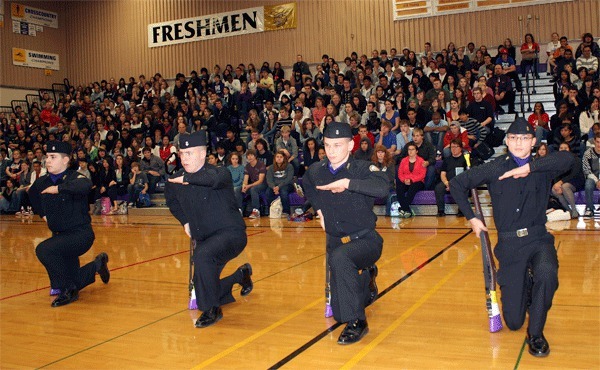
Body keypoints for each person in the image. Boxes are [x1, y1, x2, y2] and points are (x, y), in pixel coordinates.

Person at [450, 118, 575, 358]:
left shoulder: (544, 165)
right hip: (509, 246)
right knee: (514, 321)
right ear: (507, 141)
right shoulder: (495, 168)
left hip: (539, 239)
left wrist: (529, 168)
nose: (519, 143)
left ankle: (536, 334)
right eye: (514, 138)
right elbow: (457, 184)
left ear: (534, 142)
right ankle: (526, 287)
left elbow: (570, 160)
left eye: (525, 138)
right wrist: (472, 217)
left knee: (547, 274)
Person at [303, 122, 388, 345]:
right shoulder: (318, 170)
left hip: (365, 240)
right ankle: (366, 279)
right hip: (336, 242)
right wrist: (319, 210)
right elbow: (306, 183)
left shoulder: (361, 169)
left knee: (341, 260)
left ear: (350, 145)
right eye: (328, 145)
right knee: (339, 313)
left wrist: (348, 183)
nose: (331, 151)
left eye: (338, 145)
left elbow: (383, 188)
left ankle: (358, 322)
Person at [165, 130, 253, 328]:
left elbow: (210, 180)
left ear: (203, 154)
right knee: (203, 285)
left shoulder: (218, 173)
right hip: (205, 238)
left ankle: (212, 310)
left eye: (190, 153)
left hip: (231, 234)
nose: (184, 158)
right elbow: (172, 202)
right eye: (182, 154)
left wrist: (187, 178)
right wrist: (185, 221)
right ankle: (241, 276)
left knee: (202, 257)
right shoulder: (176, 179)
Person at [28, 141, 110, 307]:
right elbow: (32, 193)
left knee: (44, 249)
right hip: (60, 237)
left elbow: (85, 185)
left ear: (65, 160)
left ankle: (67, 291)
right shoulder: (43, 181)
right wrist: (43, 215)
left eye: (53, 157)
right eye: (47, 157)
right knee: (74, 278)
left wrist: (58, 189)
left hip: (80, 235)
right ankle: (98, 264)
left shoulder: (75, 177)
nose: (47, 161)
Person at [550, 142, 584, 218]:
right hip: (563, 182)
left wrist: (560, 182)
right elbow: (555, 175)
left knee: (565, 186)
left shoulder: (576, 159)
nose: (563, 150)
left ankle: (574, 210)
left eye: (565, 148)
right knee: (554, 189)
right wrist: (556, 184)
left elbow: (574, 174)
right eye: (561, 148)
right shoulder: (557, 161)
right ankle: (569, 210)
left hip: (576, 181)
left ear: (569, 150)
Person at [435, 139, 467, 216]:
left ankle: (461, 210)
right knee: (438, 188)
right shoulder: (447, 160)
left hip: (460, 182)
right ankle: (441, 210)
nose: (454, 149)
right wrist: (446, 183)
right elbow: (443, 173)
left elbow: (467, 174)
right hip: (448, 181)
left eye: (456, 147)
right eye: (452, 147)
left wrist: (454, 185)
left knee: (465, 187)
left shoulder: (465, 159)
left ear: (460, 148)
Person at [396, 143, 426, 218]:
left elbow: (422, 174)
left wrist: (412, 180)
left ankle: (403, 208)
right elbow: (400, 173)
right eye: (409, 149)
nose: (410, 151)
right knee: (399, 187)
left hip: (417, 181)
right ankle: (407, 209)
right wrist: (404, 180)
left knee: (413, 188)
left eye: (412, 149)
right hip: (405, 180)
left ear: (416, 151)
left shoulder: (421, 160)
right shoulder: (403, 160)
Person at [265, 150, 295, 217]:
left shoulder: (289, 166)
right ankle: (272, 210)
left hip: (287, 185)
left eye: (281, 157)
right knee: (268, 192)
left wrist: (279, 187)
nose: (279, 158)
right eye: (277, 157)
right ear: (275, 158)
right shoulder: (271, 167)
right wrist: (273, 187)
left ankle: (286, 211)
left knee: (283, 191)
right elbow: (269, 179)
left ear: (284, 158)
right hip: (274, 186)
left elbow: (288, 179)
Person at [582, 136, 600, 218]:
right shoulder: (588, 153)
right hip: (592, 177)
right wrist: (597, 181)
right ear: (594, 142)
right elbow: (587, 170)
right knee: (588, 184)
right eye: (598, 142)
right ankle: (589, 208)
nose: (599, 144)